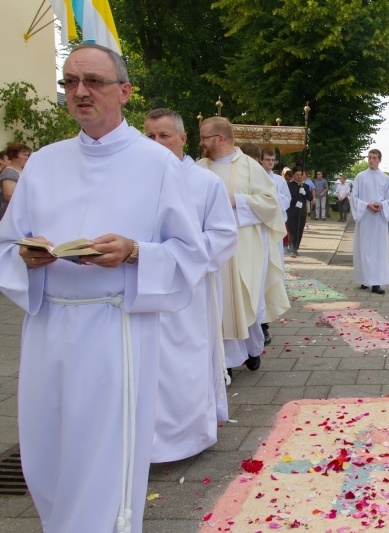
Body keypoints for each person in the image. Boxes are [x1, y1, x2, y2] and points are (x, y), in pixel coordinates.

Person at [0, 43, 208, 533]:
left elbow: (190, 254)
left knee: (102, 457)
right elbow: (7, 244)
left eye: (93, 81)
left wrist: (136, 252)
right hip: (48, 325)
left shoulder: (157, 164)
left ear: (125, 91)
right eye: (70, 82)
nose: (80, 92)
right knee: (47, 451)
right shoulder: (45, 163)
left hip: (116, 330)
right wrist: (25, 257)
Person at [143, 108, 238, 460]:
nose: (156, 143)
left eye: (164, 135)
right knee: (148, 364)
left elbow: (225, 235)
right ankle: (147, 438)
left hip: (189, 291)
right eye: (149, 136)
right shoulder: (136, 180)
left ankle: (188, 436)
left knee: (185, 362)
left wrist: (181, 260)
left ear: (182, 139)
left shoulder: (204, 182)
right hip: (143, 285)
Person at [197, 116, 289, 376]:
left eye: (204, 137)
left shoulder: (249, 167)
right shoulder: (199, 167)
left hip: (243, 250)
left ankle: (251, 350)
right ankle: (221, 362)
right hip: (210, 250)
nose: (200, 142)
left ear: (220, 139)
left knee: (243, 300)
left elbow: (271, 203)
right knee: (217, 302)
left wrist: (236, 200)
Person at [259, 149, 291, 344]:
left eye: (273, 160)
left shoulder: (279, 181)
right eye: (267, 160)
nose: (270, 163)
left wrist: (274, 199)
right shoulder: (254, 176)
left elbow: (286, 200)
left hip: (274, 227)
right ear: (260, 160)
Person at [351, 149, 389, 294]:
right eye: (369, 158)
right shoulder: (360, 177)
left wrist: (382, 205)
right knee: (364, 248)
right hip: (365, 218)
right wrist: (366, 205)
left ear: (380, 160)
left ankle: (375, 282)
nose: (371, 160)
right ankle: (364, 279)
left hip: (379, 219)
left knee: (377, 251)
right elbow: (354, 197)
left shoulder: (385, 179)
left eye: (374, 158)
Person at [0, 142, 31, 220]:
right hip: (11, 213)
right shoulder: (9, 172)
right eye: (24, 155)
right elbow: (9, 195)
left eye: (27, 155)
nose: (27, 158)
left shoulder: (24, 170)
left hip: (22, 211)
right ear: (14, 156)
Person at [286, 166, 312, 257]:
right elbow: (287, 197)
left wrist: (304, 193)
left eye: (301, 175)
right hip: (292, 211)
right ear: (293, 175)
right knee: (293, 229)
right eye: (297, 175)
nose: (299, 177)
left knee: (300, 230)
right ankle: (292, 248)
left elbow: (310, 198)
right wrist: (294, 203)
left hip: (301, 212)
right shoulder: (289, 185)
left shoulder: (306, 186)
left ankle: (296, 247)